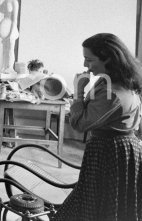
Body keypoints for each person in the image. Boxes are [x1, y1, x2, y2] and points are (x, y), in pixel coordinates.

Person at [54, 33, 142, 221]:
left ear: (108, 58)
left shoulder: (112, 92)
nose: (86, 65)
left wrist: (78, 90)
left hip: (110, 152)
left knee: (100, 206)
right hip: (121, 149)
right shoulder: (116, 80)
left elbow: (79, 124)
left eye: (89, 59)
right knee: (111, 204)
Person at [0, 0, 19, 71]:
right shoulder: (4, 3)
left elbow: (15, 19)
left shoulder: (14, 2)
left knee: (10, 49)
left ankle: (10, 67)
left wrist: (11, 31)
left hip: (11, 27)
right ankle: (4, 66)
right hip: (5, 28)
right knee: (4, 49)